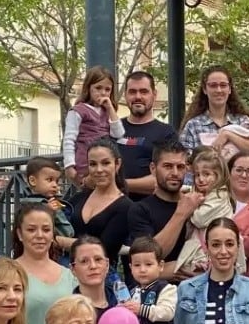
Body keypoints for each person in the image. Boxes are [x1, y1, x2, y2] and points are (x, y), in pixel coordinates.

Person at [11, 202, 77, 324]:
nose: (39, 235)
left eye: (46, 229)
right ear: (20, 234)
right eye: (31, 230)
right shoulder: (10, 273)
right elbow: (12, 321)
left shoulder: (70, 275)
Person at [127, 140, 199, 279]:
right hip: (156, 294)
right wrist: (181, 213)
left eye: (180, 167)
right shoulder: (140, 210)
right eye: (168, 166)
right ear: (153, 168)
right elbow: (149, 257)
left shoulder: (198, 204)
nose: (175, 173)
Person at [66, 138, 133, 270]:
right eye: (93, 164)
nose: (99, 170)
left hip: (100, 276)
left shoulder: (126, 206)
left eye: (105, 163)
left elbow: (104, 249)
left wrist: (59, 241)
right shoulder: (78, 198)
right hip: (68, 272)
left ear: (117, 164)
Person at [179, 68, 249, 161]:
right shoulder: (193, 125)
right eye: (213, 85)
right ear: (205, 90)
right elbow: (184, 162)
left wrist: (228, 135)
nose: (219, 90)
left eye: (223, 85)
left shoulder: (242, 121)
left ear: (229, 89)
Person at [62, 66, 126, 190]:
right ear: (88, 88)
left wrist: (111, 109)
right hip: (85, 161)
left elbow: (118, 134)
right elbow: (69, 139)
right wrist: (69, 165)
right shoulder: (78, 111)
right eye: (98, 88)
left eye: (107, 90)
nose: (103, 93)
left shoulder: (106, 111)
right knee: (88, 190)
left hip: (105, 161)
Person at [174, 147, 235, 277]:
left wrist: (190, 206)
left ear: (218, 176)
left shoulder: (219, 196)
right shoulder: (207, 195)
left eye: (206, 174)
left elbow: (199, 219)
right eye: (197, 175)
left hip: (208, 249)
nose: (201, 179)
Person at [118, 71, 178, 201]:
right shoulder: (113, 128)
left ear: (154, 95)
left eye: (144, 91)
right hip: (113, 209)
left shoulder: (166, 133)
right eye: (132, 92)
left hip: (149, 211)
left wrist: (118, 185)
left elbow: (164, 178)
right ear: (125, 95)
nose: (138, 97)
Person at [23, 156, 76, 256]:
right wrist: (48, 212)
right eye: (49, 180)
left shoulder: (51, 201)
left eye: (57, 181)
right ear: (33, 181)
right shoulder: (32, 204)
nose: (55, 185)